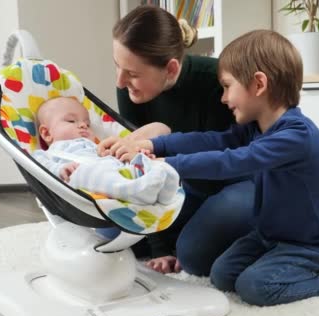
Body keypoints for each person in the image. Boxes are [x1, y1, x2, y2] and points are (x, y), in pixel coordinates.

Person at [117, 29, 319, 306]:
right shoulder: (254, 128)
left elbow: (231, 161)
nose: (223, 98)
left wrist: (167, 165)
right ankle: (276, 260)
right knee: (221, 275)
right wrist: (156, 145)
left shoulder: (296, 135)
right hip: (268, 235)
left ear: (258, 84)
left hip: (310, 243)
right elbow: (211, 140)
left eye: (227, 86)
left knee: (255, 288)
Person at [99, 4, 255, 275]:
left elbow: (232, 155)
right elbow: (141, 170)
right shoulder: (129, 89)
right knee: (106, 232)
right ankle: (182, 231)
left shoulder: (219, 81)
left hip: (236, 182)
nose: (121, 81)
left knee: (193, 255)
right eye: (117, 66)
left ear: (170, 69)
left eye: (133, 74)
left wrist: (162, 141)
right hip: (183, 186)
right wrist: (158, 247)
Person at [32, 96, 179, 206]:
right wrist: (60, 169)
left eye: (87, 124)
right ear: (46, 133)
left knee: (143, 162)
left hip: (113, 171)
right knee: (86, 173)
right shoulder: (49, 153)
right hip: (83, 180)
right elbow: (39, 166)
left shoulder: (98, 146)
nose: (83, 125)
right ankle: (143, 192)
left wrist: (136, 157)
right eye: (71, 121)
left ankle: (162, 183)